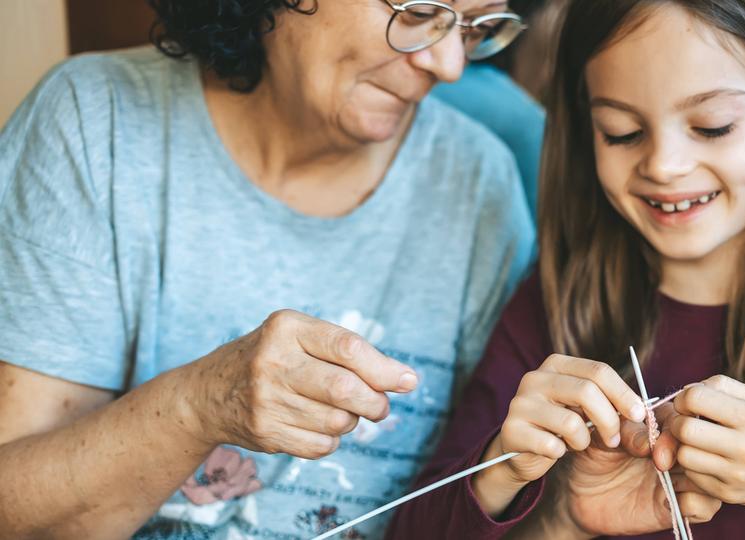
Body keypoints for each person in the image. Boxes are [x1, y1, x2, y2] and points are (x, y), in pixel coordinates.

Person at [388, 1, 745, 538]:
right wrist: (532, 494)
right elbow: (410, 527)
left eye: (712, 125)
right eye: (622, 132)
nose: (664, 165)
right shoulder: (557, 297)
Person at [0, 0, 535, 538]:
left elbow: (487, 491)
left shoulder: (481, 185)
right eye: (419, 13)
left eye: (477, 28)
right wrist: (200, 404)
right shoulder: (98, 122)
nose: (450, 66)